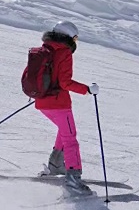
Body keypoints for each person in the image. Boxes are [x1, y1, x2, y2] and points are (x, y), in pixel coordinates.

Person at [35, 21, 99, 196]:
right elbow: (65, 82)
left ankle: (56, 165)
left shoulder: (44, 50)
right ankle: (73, 179)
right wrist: (87, 89)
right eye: (75, 38)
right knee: (71, 139)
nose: (75, 42)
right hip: (59, 104)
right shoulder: (64, 52)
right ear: (69, 36)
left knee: (64, 131)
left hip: (42, 102)